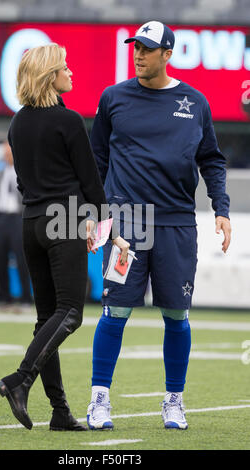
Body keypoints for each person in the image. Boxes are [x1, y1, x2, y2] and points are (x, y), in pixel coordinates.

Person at [86, 20, 232, 431]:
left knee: (176, 313)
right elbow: (96, 161)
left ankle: (174, 400)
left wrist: (220, 208)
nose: (138, 54)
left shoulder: (195, 101)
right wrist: (94, 215)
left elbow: (212, 161)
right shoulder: (113, 98)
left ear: (168, 54)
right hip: (127, 226)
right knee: (115, 311)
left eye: (147, 49)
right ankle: (99, 400)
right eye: (136, 47)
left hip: (176, 224)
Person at [0, 44, 129, 432]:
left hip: (31, 222)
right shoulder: (68, 120)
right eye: (65, 67)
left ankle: (59, 411)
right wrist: (110, 233)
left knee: (46, 319)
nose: (71, 73)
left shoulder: (17, 124)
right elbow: (91, 183)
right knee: (70, 312)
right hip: (65, 219)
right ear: (50, 76)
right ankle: (20, 380)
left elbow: (22, 182)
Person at [0, 140, 33, 311]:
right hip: (0, 219)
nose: (7, 156)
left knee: (22, 260)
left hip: (18, 219)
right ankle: (4, 298)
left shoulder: (23, 174)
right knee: (0, 260)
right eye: (5, 153)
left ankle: (25, 299)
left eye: (10, 153)